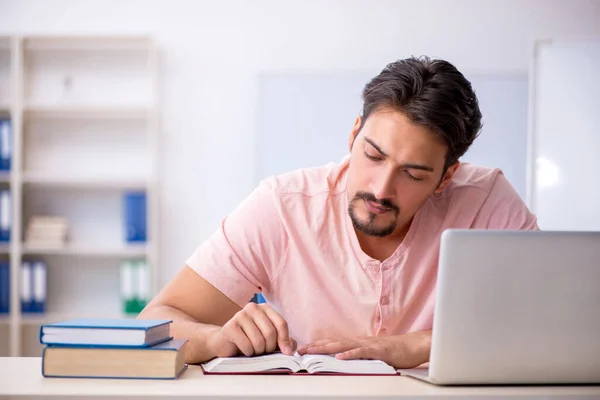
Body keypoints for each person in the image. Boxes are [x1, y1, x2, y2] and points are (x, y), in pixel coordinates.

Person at [139, 56, 538, 368]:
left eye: (413, 174)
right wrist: (213, 339)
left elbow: (549, 326)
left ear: (447, 176)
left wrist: (418, 345)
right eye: (373, 155)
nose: (381, 189)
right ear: (353, 134)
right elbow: (155, 320)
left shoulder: (487, 203)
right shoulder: (283, 206)